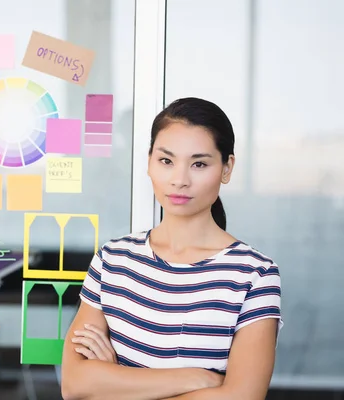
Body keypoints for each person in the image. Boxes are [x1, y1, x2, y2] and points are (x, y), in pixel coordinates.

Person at [60, 97, 283, 400]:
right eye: (166, 161)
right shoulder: (112, 260)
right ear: (149, 161)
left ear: (226, 168)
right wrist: (198, 379)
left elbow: (241, 396)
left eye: (199, 164)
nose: (180, 180)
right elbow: (74, 384)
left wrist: (115, 383)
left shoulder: (254, 274)